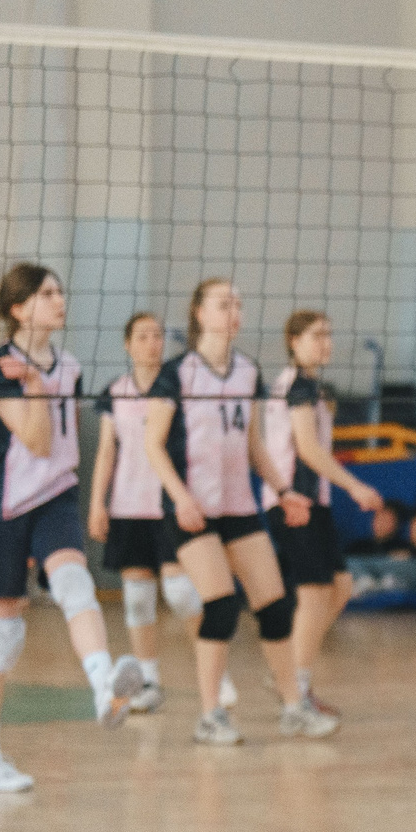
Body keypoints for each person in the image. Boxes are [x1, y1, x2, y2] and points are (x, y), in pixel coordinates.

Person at [0, 265, 146, 792]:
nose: (59, 300)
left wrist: (45, 380)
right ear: (19, 309)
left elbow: (55, 452)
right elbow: (37, 438)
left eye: (61, 291)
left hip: (54, 496)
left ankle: (102, 687)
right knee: (2, 634)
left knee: (73, 581)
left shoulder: (71, 364)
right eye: (46, 294)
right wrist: (38, 385)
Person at [141, 277, 330, 743]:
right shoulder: (177, 374)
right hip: (192, 508)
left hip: (239, 507)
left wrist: (283, 490)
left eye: (238, 305)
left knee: (275, 606)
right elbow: (152, 444)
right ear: (200, 314)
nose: (234, 313)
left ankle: (293, 708)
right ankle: (211, 717)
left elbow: (254, 445)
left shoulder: (247, 372)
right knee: (222, 605)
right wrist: (181, 496)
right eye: (223, 305)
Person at [261, 312, 387, 719]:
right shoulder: (297, 386)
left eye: (329, 335)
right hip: (295, 503)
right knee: (315, 593)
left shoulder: (311, 387)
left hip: (316, 503)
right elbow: (309, 450)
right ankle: (293, 689)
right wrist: (356, 486)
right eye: (317, 335)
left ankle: (288, 671)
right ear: (293, 341)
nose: (325, 342)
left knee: (341, 585)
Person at [89, 311, 205, 716]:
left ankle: (214, 670)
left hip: (169, 505)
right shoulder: (115, 392)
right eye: (142, 336)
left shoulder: (178, 389)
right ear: (128, 344)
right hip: (127, 506)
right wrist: (96, 503)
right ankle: (148, 683)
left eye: (158, 336)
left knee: (181, 593)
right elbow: (107, 452)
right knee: (137, 601)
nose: (152, 343)